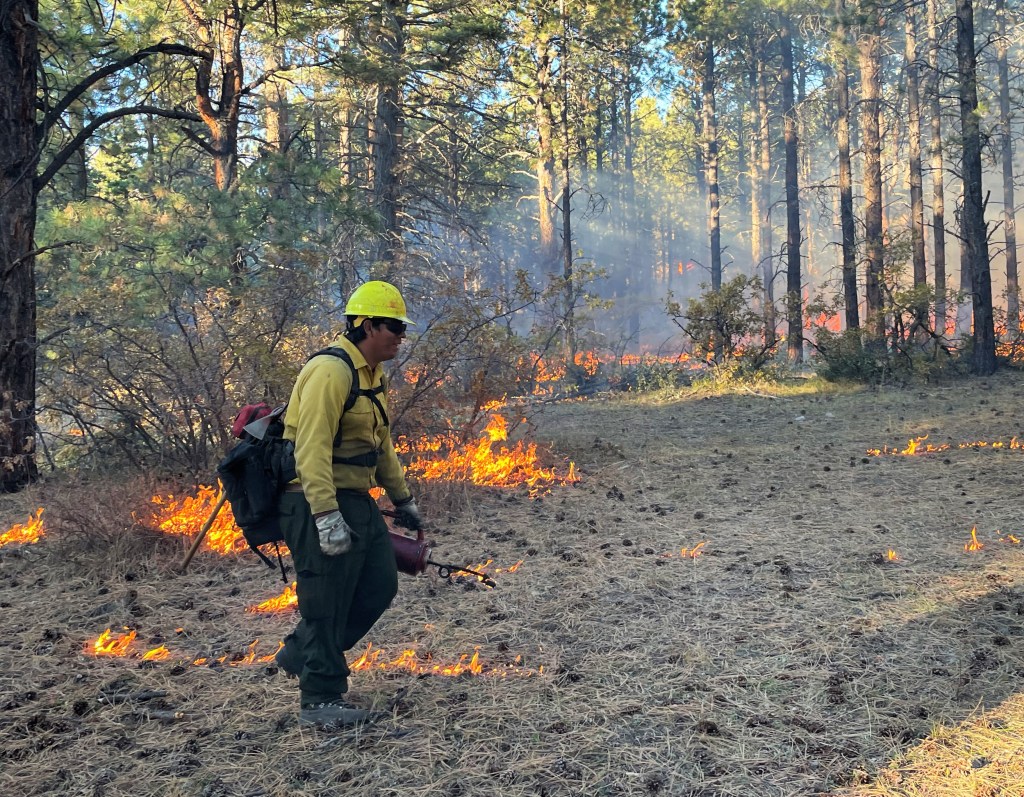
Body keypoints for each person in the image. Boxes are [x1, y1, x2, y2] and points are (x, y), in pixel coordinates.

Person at [275, 280, 423, 728]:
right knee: (325, 599)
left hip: (357, 500)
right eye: (393, 325)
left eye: (402, 327)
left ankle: (303, 652)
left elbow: (382, 447)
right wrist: (324, 515)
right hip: (314, 500)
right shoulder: (331, 371)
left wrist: (404, 499)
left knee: (380, 585)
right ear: (365, 325)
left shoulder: (371, 377)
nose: (400, 335)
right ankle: (321, 698)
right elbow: (311, 448)